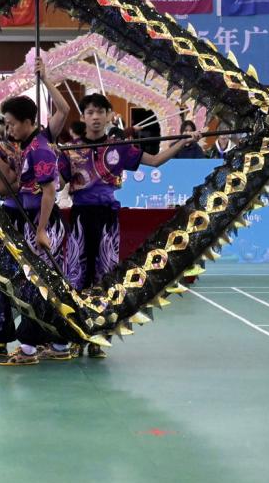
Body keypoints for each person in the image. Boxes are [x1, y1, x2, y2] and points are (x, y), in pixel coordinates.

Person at [57, 94, 200, 356]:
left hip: (108, 219)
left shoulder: (121, 147)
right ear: (83, 117)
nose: (95, 117)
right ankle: (76, 336)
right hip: (79, 219)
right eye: (90, 112)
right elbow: (56, 183)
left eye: (100, 112)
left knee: (105, 279)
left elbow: (155, 161)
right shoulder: (69, 150)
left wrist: (183, 141)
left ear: (109, 116)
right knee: (76, 278)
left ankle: (98, 338)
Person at [0, 95, 71, 365]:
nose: (8, 129)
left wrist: (41, 230)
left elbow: (49, 191)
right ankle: (57, 343)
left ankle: (33, 347)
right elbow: (0, 186)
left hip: (39, 221)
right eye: (5, 124)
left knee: (41, 283)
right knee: (32, 282)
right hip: (24, 217)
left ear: (29, 122)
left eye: (12, 124)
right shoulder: (24, 146)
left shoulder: (40, 148)